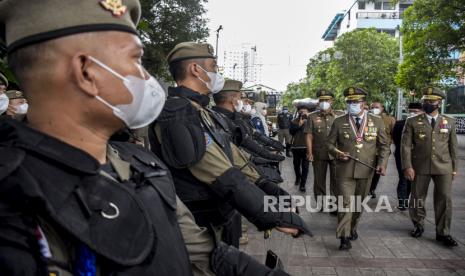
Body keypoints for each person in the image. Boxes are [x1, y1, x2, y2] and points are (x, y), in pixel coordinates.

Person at [0, 1, 292, 275]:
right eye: (134, 60)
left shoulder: (140, 165)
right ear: (86, 72)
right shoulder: (16, 207)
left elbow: (203, 252)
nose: (145, 77)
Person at [149, 42, 311, 247]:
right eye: (214, 67)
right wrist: (269, 213)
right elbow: (220, 171)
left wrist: (266, 186)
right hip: (197, 224)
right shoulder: (177, 114)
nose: (217, 73)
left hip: (221, 215)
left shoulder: (203, 111)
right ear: (195, 69)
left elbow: (234, 157)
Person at [327, 87, 390, 251]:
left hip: (365, 170)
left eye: (355, 102)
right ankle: (343, 236)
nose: (352, 104)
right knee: (345, 203)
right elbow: (329, 144)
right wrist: (338, 153)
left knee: (358, 204)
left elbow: (384, 146)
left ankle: (352, 227)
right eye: (349, 102)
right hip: (344, 170)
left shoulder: (376, 121)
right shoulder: (339, 121)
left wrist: (382, 164)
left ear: (364, 103)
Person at [401, 87, 458, 247]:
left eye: (431, 101)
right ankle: (418, 225)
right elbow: (405, 146)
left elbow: (453, 147)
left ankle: (443, 232)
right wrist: (407, 166)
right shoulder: (412, 121)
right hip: (420, 166)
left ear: (439, 103)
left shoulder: (449, 121)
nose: (427, 103)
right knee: (417, 198)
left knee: (444, 199)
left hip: (444, 167)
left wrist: (454, 168)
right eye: (425, 100)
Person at [305, 89, 344, 210]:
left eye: (326, 100)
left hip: (336, 153)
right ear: (318, 102)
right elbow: (309, 135)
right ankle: (320, 204)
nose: (324, 102)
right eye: (321, 100)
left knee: (336, 181)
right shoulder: (312, 117)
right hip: (319, 153)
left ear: (332, 101)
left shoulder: (340, 115)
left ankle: (334, 206)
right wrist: (309, 152)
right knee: (319, 180)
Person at [392, 102, 423, 210]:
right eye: (411, 111)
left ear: (422, 112)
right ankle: (402, 201)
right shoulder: (400, 124)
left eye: (416, 111)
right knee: (403, 177)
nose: (413, 113)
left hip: (418, 157)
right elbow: (395, 139)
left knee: (413, 179)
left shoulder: (424, 124)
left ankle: (407, 198)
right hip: (401, 155)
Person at [369, 101, 396, 198]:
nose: (374, 109)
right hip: (369, 149)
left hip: (382, 150)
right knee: (368, 170)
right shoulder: (368, 118)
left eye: (376, 107)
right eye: (372, 107)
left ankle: (372, 189)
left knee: (378, 170)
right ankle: (367, 188)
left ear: (382, 108)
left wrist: (389, 145)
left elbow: (394, 134)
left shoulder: (389, 119)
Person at [289, 105, 310, 192]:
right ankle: (298, 177)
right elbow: (291, 132)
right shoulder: (294, 121)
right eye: (301, 112)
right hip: (296, 147)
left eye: (305, 111)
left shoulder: (311, 121)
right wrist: (299, 125)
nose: (303, 113)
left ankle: (303, 184)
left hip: (307, 147)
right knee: (296, 165)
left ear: (308, 112)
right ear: (298, 113)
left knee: (305, 167)